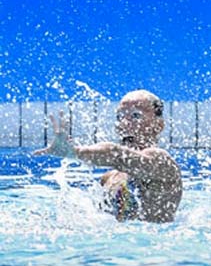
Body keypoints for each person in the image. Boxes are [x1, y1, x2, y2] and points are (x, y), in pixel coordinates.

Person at [33, 89, 182, 223]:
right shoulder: (109, 178)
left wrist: (75, 152)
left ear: (158, 126)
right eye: (119, 116)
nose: (124, 123)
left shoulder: (162, 163)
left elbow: (116, 155)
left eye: (135, 115)